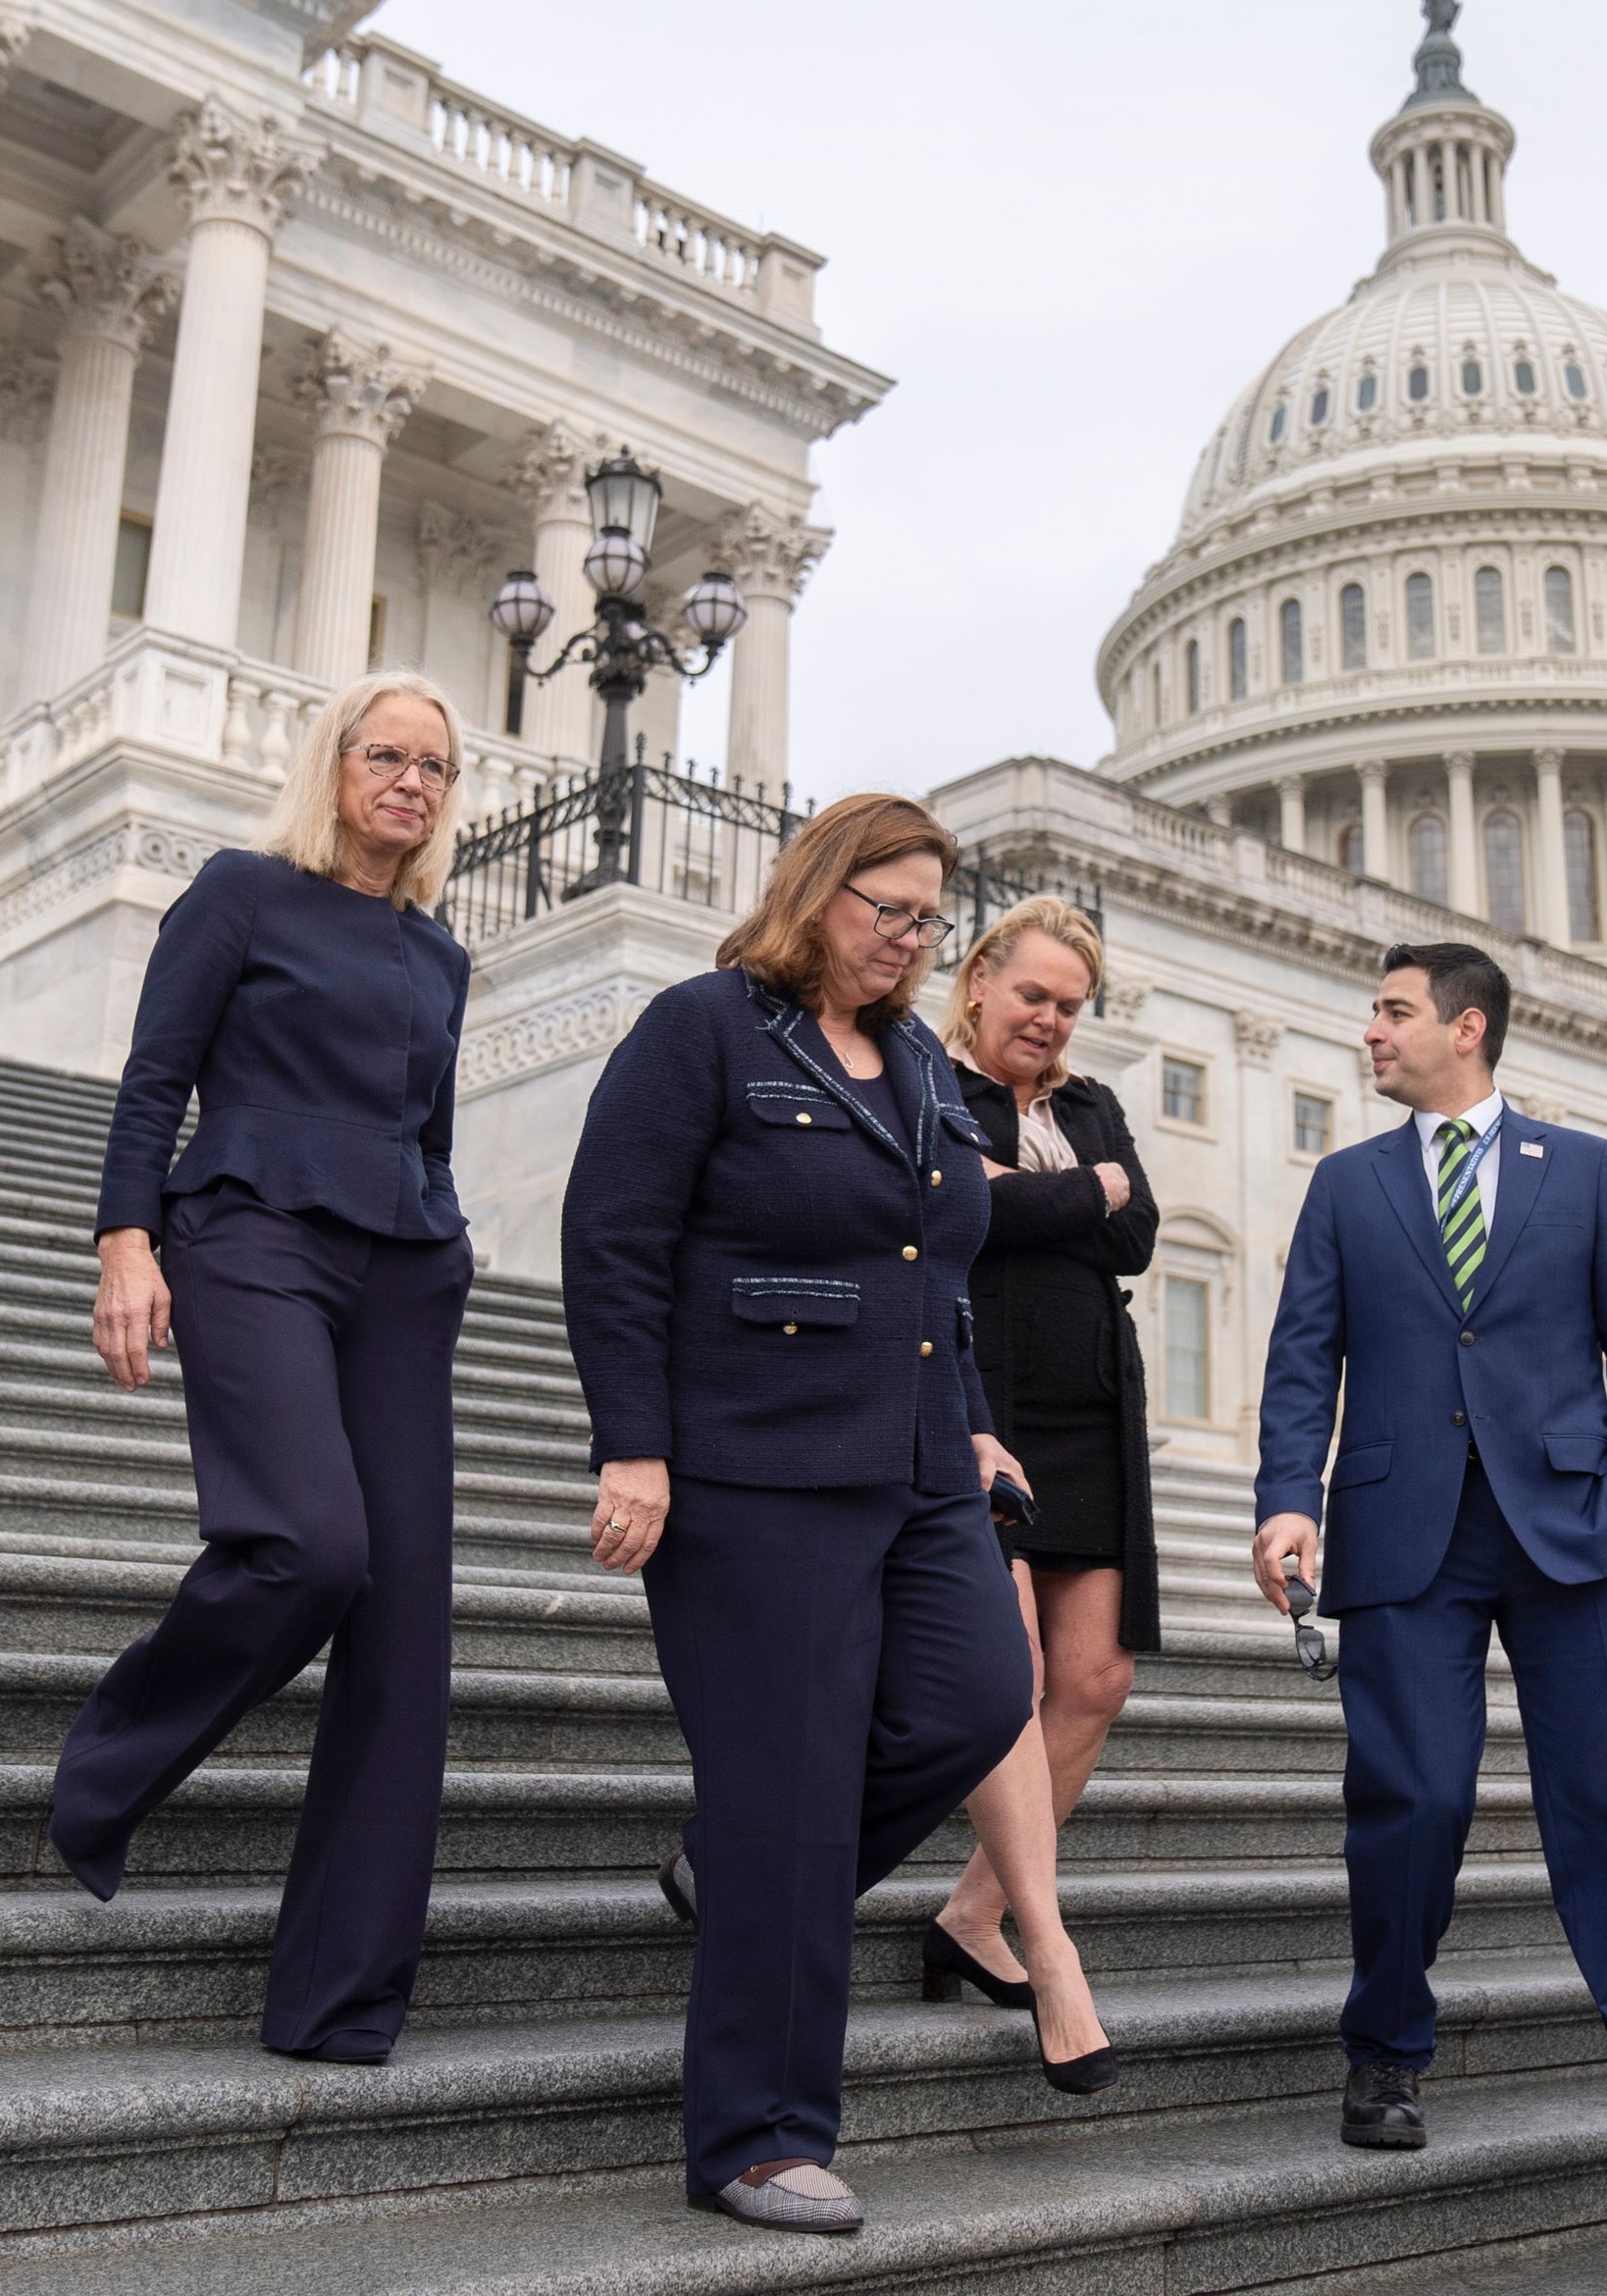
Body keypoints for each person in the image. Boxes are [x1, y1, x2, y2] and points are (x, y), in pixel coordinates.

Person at [558, 795, 1100, 2237]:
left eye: (932, 919)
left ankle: (736, 1862)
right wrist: (634, 1448)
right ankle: (759, 2133)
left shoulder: (920, 1056)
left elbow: (939, 1266)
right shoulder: (705, 1030)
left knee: (980, 1695)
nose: (911, 940)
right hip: (756, 1464)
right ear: (820, 890)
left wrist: (975, 1414)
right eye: (891, 911)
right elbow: (612, 1242)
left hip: (922, 1467)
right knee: (791, 1793)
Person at [1255, 942, 1607, 2293]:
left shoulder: (1586, 1170)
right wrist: (1282, 1498)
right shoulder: (1347, 1184)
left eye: (1393, 1009)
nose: (1372, 1030)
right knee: (1411, 1799)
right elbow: (1305, 1353)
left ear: (1465, 1028)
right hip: (1403, 1530)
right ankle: (1386, 2044)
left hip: (1578, 1543)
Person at [48, 674, 477, 2063]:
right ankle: (110, 1764)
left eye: (436, 766)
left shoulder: (440, 956)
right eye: (387, 756)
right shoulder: (241, 891)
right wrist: (128, 1234)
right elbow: (154, 1076)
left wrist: (451, 1248)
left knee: (406, 1634)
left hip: (404, 1272)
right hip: (249, 1236)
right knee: (306, 1545)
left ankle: (342, 2000)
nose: (411, 782)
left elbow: (436, 1135)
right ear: (335, 765)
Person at [926, 898, 1160, 2009]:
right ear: (978, 979)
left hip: (1094, 1409)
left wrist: (1042, 1197)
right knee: (1005, 1677)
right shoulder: (927, 1081)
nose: (1052, 1020)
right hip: (984, 1399)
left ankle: (973, 1911)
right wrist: (1081, 1189)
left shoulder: (1092, 1100)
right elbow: (958, 1207)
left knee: (1095, 1678)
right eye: (1034, 995)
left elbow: (1139, 1234)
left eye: (1071, 1006)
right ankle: (1046, 1936)